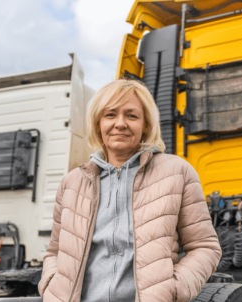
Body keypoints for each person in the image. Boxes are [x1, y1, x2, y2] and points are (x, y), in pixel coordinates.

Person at [38, 79, 221, 302]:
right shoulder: (72, 183)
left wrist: (174, 289)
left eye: (131, 115)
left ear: (145, 124)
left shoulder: (177, 172)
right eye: (110, 114)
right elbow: (54, 253)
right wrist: (51, 288)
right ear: (98, 123)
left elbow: (204, 246)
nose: (120, 123)